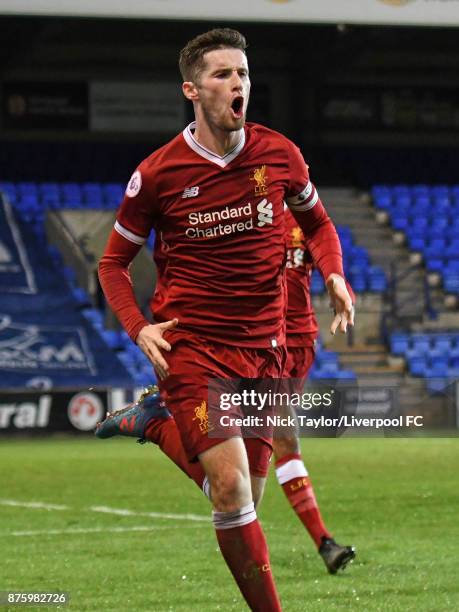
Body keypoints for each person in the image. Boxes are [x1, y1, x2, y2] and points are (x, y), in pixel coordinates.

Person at [97, 28, 354, 611]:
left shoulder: (280, 153)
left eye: (243, 74)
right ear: (192, 89)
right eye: (222, 75)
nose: (237, 84)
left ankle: (153, 424)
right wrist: (139, 326)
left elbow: (318, 223)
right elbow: (113, 263)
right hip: (194, 349)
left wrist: (334, 273)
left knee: (241, 497)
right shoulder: (158, 174)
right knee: (232, 490)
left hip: (267, 349)